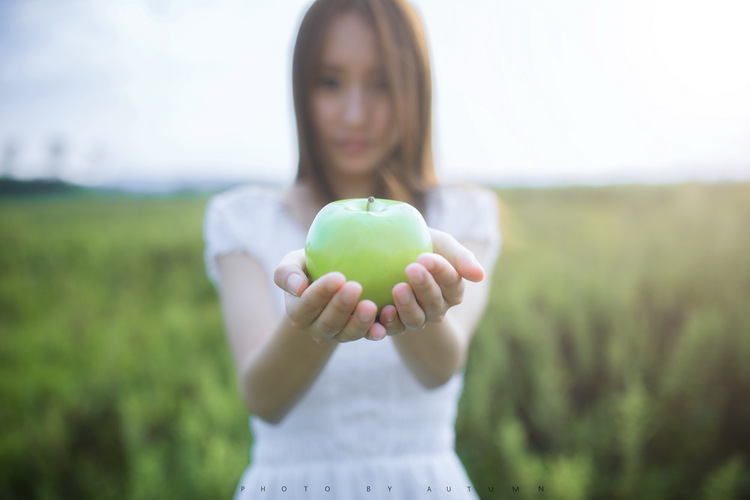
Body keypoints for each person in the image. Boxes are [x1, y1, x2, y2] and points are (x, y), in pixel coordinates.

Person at [203, 0, 501, 498]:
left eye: (382, 82)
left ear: (416, 87)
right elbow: (263, 398)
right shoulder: (242, 219)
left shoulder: (465, 214)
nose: (355, 114)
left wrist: (416, 293)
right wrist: (307, 322)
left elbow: (440, 369)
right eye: (331, 82)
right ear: (301, 88)